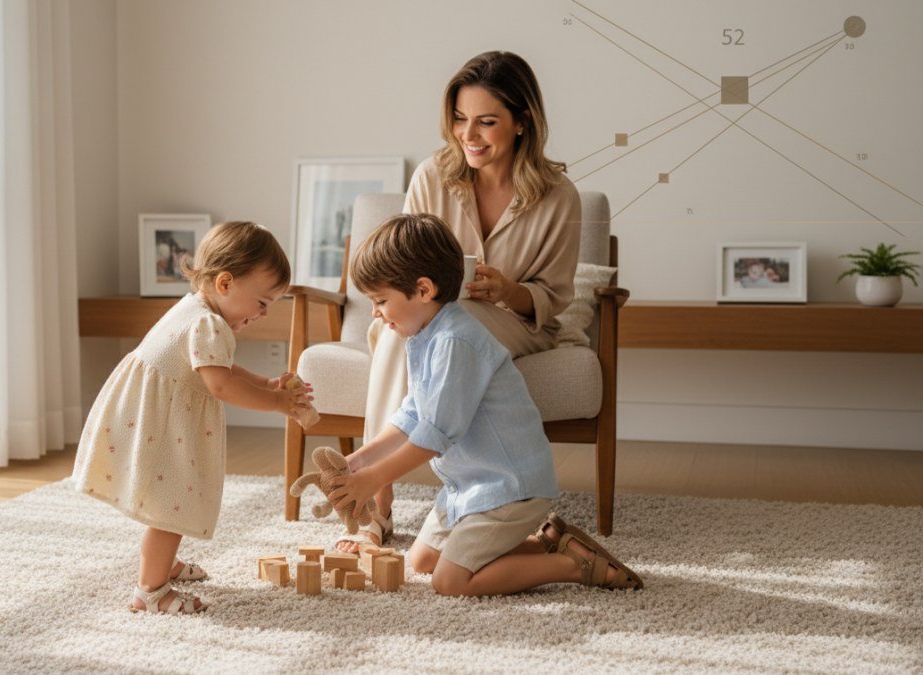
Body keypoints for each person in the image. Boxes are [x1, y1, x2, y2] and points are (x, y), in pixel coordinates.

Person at [337, 50, 581, 553]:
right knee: (393, 329)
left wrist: (510, 290)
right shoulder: (433, 175)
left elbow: (553, 297)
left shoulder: (560, 197)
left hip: (515, 319)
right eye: (460, 120)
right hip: (430, 314)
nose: (468, 135)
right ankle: (374, 509)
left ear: (523, 121)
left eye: (486, 122)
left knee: (457, 321)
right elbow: (404, 261)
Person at [328, 213, 643, 595]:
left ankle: (575, 566)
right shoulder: (427, 336)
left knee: (450, 582)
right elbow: (412, 415)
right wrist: (359, 461)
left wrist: (373, 479)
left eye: (380, 301)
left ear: (424, 290)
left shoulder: (456, 342)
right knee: (422, 560)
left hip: (507, 488)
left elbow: (434, 436)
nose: (375, 312)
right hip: (470, 487)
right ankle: (550, 542)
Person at [73, 221, 312, 615]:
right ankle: (150, 591)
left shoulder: (197, 310)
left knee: (174, 500)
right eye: (263, 302)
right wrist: (278, 404)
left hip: (157, 418)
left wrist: (268, 383)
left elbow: (224, 369)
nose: (263, 314)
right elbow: (221, 386)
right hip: (163, 426)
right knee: (169, 509)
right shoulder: (208, 324)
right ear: (225, 283)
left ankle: (164, 564)